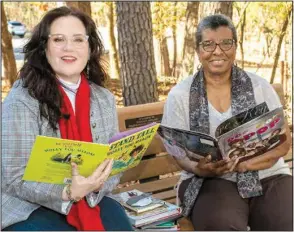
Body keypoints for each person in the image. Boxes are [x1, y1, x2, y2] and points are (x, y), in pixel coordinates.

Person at [2, 7, 133, 231]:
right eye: (58, 39)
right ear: (44, 47)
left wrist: (93, 186)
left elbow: (113, 164)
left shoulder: (104, 99)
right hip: (28, 206)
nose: (68, 47)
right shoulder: (22, 99)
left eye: (78, 39)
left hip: (93, 197)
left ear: (90, 47)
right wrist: (68, 192)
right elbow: (14, 178)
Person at [161, 14, 292, 231]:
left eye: (226, 43)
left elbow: (284, 142)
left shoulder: (260, 87)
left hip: (268, 174)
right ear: (198, 50)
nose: (218, 51)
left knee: (287, 221)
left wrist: (247, 164)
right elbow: (176, 151)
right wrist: (199, 168)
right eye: (208, 44)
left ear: (235, 47)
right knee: (221, 224)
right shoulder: (180, 95)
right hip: (211, 181)